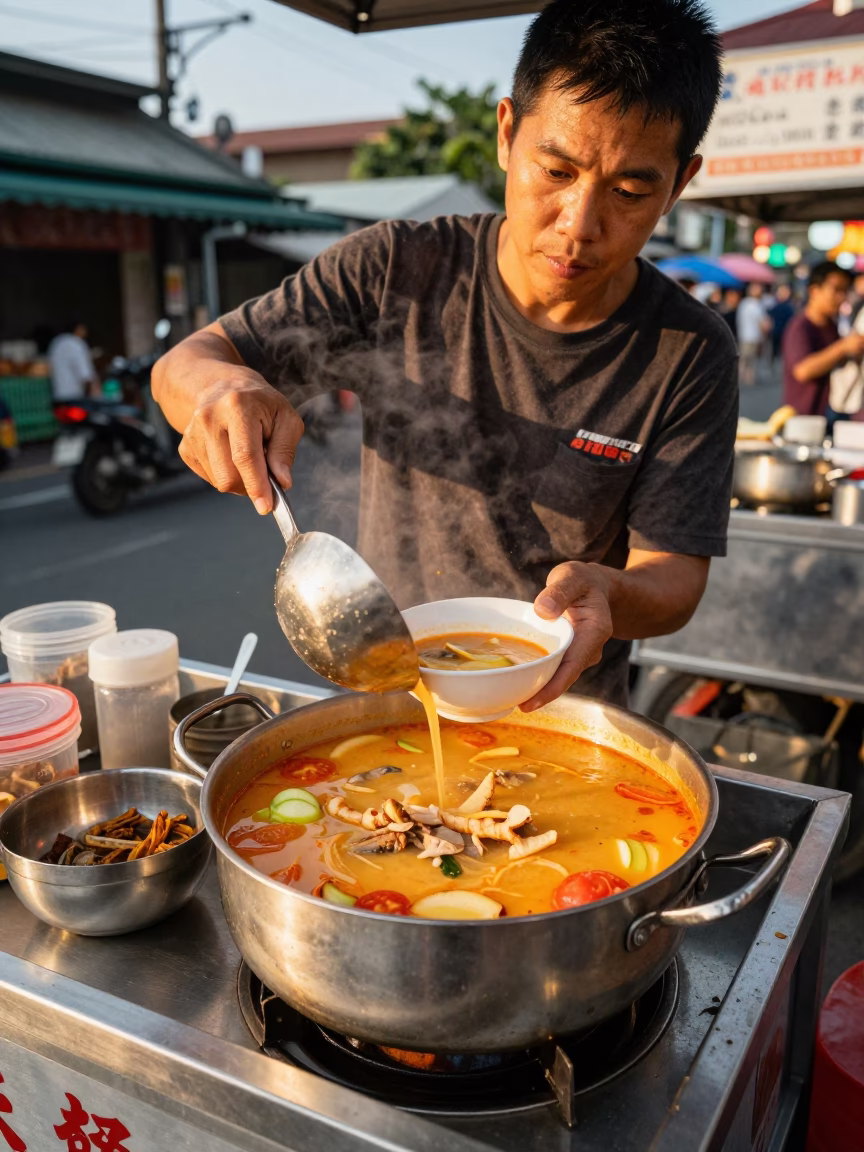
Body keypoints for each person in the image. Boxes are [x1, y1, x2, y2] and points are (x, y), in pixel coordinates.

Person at [153, 0, 738, 710]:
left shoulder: (689, 351)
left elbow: (674, 574)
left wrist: (612, 590)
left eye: (627, 191)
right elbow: (191, 359)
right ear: (506, 134)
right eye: (555, 171)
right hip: (394, 693)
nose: (580, 224)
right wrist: (219, 391)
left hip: (564, 708)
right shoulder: (395, 269)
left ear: (679, 184)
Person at [782, 263, 864, 419]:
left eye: (845, 291)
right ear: (814, 290)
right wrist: (842, 347)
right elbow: (803, 370)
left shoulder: (832, 326)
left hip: (828, 415)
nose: (841, 297)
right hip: (803, 418)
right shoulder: (800, 326)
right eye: (836, 290)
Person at [47, 321, 99, 401]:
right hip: (74, 395)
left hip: (58, 395)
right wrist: (95, 391)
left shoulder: (56, 343)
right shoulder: (76, 343)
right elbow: (85, 374)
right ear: (78, 329)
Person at [736, 283, 770, 387]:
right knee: (752, 360)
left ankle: (740, 377)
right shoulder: (757, 305)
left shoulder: (743, 303)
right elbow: (764, 324)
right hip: (754, 337)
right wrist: (765, 335)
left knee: (743, 359)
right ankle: (749, 379)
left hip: (743, 335)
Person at [768, 284, 795, 362]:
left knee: (778, 352)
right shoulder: (786, 306)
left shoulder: (787, 307)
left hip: (782, 332)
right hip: (779, 332)